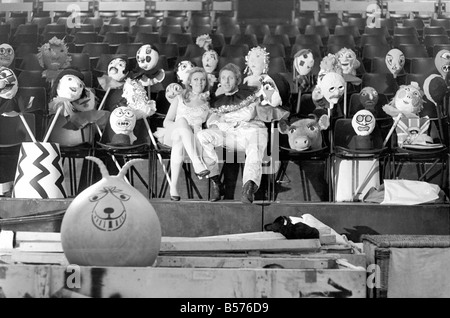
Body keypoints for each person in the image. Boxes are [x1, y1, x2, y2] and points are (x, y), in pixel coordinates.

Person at [197, 63, 269, 204]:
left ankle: (248, 188)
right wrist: (219, 122)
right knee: (202, 135)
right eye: (223, 78)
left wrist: (224, 118)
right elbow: (211, 121)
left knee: (254, 148)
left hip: (252, 131)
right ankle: (216, 180)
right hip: (231, 135)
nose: (226, 81)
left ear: (237, 80)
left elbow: (248, 114)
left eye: (230, 78)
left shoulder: (250, 93)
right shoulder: (217, 101)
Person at [154, 67, 211, 201]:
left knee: (180, 138)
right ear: (190, 82)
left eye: (203, 80)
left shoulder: (208, 102)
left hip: (193, 138)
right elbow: (167, 121)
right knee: (181, 121)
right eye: (196, 79)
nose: (199, 82)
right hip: (171, 134)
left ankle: (173, 187)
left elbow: (210, 123)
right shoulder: (179, 98)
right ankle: (197, 163)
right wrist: (179, 126)